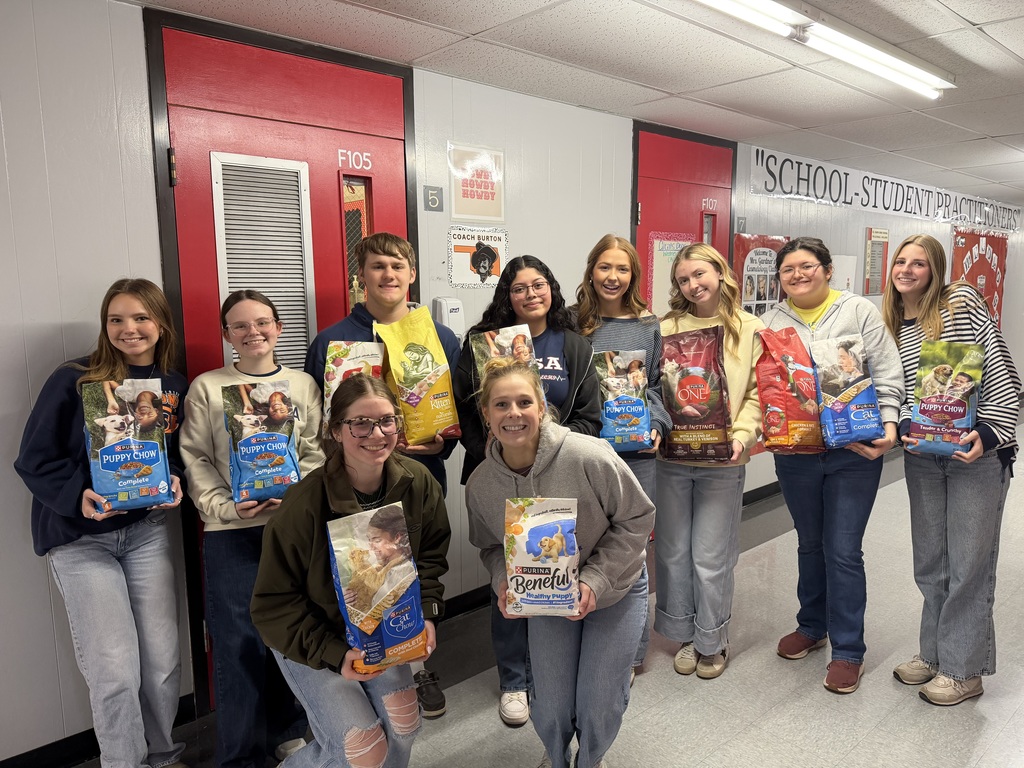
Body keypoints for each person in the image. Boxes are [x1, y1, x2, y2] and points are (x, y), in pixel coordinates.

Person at [15, 278, 188, 768]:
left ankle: (163, 755)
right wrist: (79, 496)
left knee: (161, 663)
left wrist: (172, 481)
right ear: (104, 325)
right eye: (116, 319)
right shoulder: (74, 379)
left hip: (146, 536)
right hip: (80, 540)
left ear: (160, 323)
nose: (128, 329)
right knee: (113, 671)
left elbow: (171, 455)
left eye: (140, 318)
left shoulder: (171, 385)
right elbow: (33, 460)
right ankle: (123, 762)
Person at [251, 374, 451, 767]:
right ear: (335, 431)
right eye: (360, 422)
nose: (376, 433)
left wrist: (426, 615)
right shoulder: (303, 504)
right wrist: (334, 652)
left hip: (382, 629)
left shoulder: (418, 483)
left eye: (386, 420)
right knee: (362, 749)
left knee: (405, 724)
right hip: (313, 634)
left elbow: (428, 560)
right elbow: (273, 606)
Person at [465, 358, 653, 768]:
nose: (513, 414)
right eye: (500, 405)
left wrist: (595, 580)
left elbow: (638, 517)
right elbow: (490, 546)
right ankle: (555, 756)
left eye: (523, 402)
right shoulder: (481, 484)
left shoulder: (588, 456)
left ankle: (590, 759)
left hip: (614, 590)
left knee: (597, 701)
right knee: (549, 704)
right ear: (486, 414)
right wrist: (503, 578)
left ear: (541, 407)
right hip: (546, 600)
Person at [303, 232, 459, 716]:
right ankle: (360, 673)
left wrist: (443, 441)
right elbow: (315, 421)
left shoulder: (440, 336)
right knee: (362, 578)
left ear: (411, 274)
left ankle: (418, 667)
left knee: (414, 573)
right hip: (352, 487)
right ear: (361, 275)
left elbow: (455, 409)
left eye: (397, 265)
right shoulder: (331, 341)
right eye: (376, 266)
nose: (387, 274)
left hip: (419, 478)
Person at [454, 255, 601, 726]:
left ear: (552, 290)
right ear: (507, 296)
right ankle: (514, 679)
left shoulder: (573, 345)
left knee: (555, 571)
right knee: (510, 575)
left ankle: (553, 671)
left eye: (538, 285)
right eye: (518, 288)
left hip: (560, 479)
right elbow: (464, 412)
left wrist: (546, 453)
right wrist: (497, 457)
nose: (530, 294)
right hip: (501, 479)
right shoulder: (482, 344)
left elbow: (588, 417)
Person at [180, 290, 324, 768]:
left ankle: (288, 731)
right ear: (226, 335)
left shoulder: (302, 385)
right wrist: (223, 507)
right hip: (230, 534)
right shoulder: (207, 387)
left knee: (291, 633)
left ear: (278, 328)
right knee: (238, 640)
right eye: (239, 326)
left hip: (291, 530)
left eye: (262, 322)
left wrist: (297, 494)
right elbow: (195, 458)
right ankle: (240, 755)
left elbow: (315, 452)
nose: (252, 333)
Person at [882, 234, 1021, 706]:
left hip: (975, 455)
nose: (907, 269)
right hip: (925, 456)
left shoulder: (959, 304)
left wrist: (988, 431)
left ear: (936, 270)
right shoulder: (893, 322)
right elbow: (898, 388)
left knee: (969, 564)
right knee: (931, 562)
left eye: (919, 263)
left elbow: (1000, 371)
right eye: (900, 261)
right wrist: (902, 421)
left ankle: (964, 669)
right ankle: (935, 653)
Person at [761, 237, 903, 694]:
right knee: (809, 543)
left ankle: (848, 651)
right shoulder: (769, 321)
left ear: (826, 269)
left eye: (807, 266)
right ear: (779, 278)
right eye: (788, 270)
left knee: (842, 549)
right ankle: (811, 626)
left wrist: (889, 422)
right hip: (796, 454)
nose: (798, 275)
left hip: (853, 452)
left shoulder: (858, 310)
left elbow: (885, 369)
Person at [655, 244, 764, 680]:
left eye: (699, 274)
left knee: (711, 555)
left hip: (724, 460)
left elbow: (758, 392)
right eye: (683, 279)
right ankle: (682, 634)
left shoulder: (748, 328)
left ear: (720, 272)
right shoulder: (665, 329)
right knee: (673, 551)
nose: (692, 284)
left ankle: (711, 638)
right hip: (672, 458)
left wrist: (742, 436)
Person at [573, 234, 669, 683]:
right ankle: (581, 636)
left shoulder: (649, 326)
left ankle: (631, 652)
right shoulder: (572, 323)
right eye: (605, 267)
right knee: (582, 543)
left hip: (636, 453)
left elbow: (654, 387)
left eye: (623, 269)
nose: (613, 277)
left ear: (633, 274)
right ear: (591, 270)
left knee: (632, 549)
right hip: (584, 453)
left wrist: (657, 422)